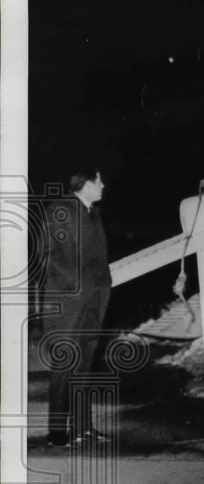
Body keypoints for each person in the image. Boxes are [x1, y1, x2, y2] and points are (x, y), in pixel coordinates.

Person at [43, 168, 112, 447]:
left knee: (84, 364)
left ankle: (83, 428)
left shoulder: (92, 212)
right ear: (85, 183)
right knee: (64, 364)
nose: (103, 185)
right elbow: (52, 256)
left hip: (93, 299)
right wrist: (77, 287)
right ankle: (58, 433)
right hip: (68, 301)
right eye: (99, 180)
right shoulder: (61, 209)